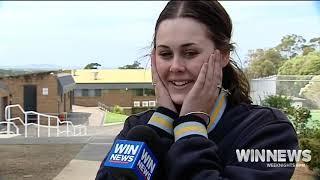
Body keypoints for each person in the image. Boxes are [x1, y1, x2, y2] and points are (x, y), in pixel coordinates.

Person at [96, 1, 298, 179]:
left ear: (224, 55)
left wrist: (191, 125)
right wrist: (160, 125)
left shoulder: (268, 131)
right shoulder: (137, 127)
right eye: (165, 54)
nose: (175, 66)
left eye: (190, 53)